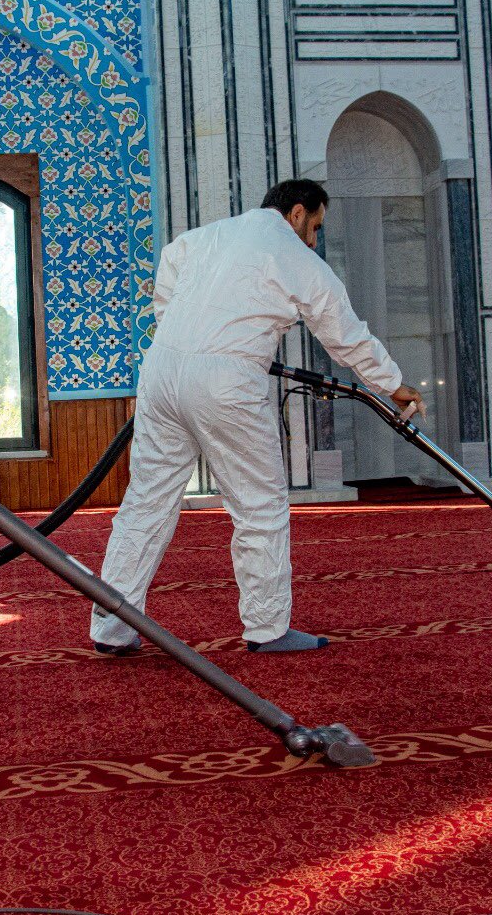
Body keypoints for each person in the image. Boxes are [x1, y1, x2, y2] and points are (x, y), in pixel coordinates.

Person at [90, 179, 422, 656]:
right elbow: (345, 333)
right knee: (260, 505)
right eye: (316, 226)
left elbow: (168, 267)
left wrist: (183, 332)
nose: (314, 239)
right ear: (297, 212)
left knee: (145, 503)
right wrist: (392, 384)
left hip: (161, 373)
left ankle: (111, 628)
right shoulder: (297, 257)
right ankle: (267, 629)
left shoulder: (205, 236)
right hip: (227, 380)